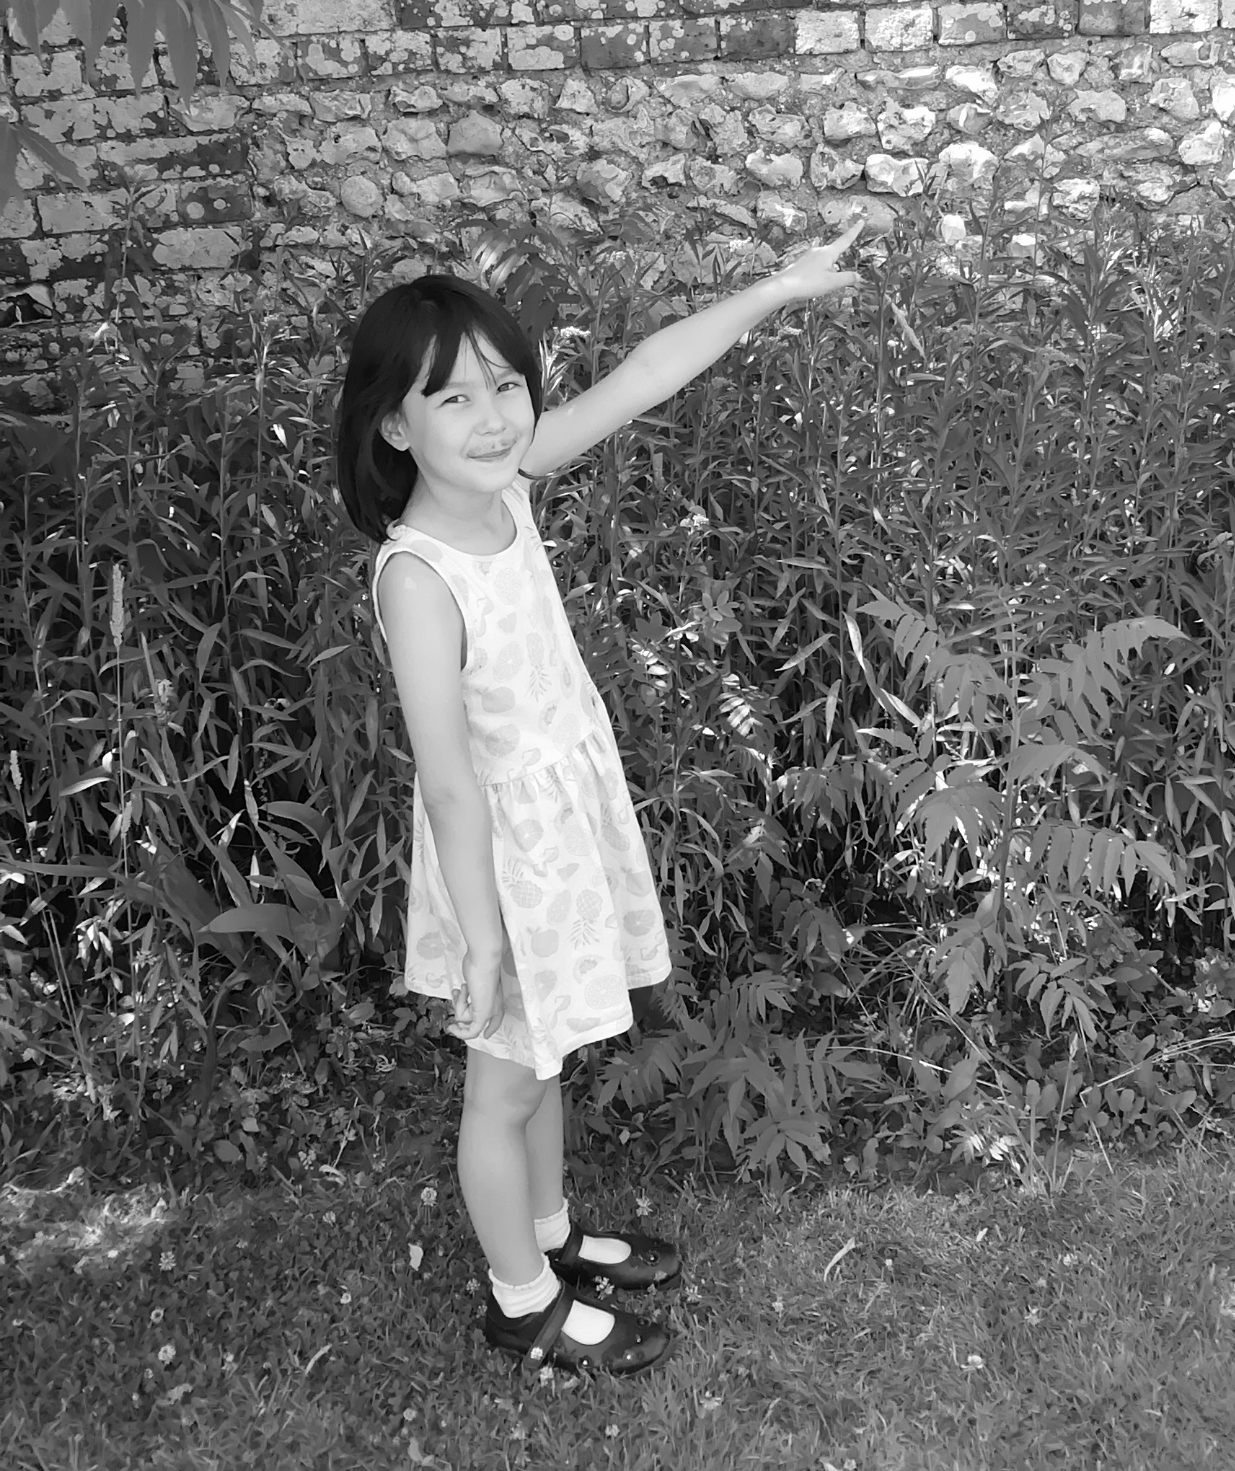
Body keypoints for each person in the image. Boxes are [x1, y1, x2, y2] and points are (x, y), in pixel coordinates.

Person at [335, 220, 865, 1379]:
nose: (494, 418)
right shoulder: (419, 577)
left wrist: (774, 291)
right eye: (453, 400)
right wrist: (482, 934)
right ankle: (521, 1302)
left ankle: (550, 1232)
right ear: (394, 426)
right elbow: (449, 780)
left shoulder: (511, 483)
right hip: (500, 855)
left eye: (504, 386)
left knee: (549, 1054)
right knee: (503, 1084)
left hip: (557, 829)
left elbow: (640, 375)